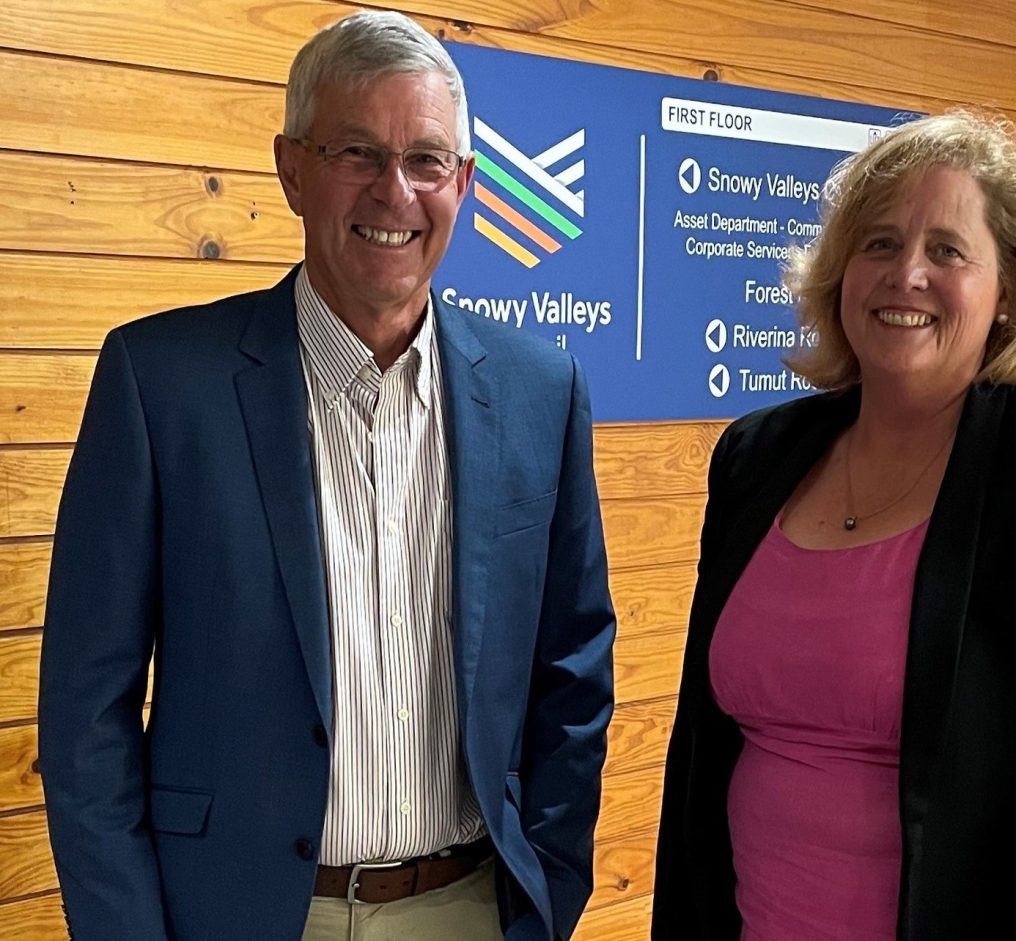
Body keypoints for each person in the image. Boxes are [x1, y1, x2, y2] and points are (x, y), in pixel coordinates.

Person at [38, 11, 615, 941]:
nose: (397, 192)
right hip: (233, 915)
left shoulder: (541, 392)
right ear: (292, 168)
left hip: (470, 909)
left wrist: (545, 894)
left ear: (464, 183)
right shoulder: (161, 385)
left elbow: (574, 669)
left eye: (427, 160)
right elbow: (85, 712)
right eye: (358, 151)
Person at [652, 111, 1016, 940]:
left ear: (1004, 291)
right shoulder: (757, 454)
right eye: (879, 243)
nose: (906, 274)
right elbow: (700, 756)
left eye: (947, 251)